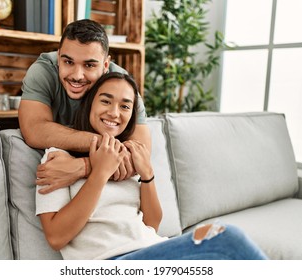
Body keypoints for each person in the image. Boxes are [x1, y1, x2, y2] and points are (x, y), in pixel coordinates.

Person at [35, 72, 268, 260]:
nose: (114, 113)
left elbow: (152, 225)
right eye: (106, 101)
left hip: (152, 249)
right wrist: (99, 173)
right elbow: (56, 237)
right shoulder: (58, 159)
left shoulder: (128, 157)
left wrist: (147, 175)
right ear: (89, 104)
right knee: (227, 238)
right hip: (111, 260)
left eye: (125, 106)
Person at [19, 19, 150, 194]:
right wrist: (106, 148)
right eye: (68, 62)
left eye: (89, 65)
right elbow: (34, 129)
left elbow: (141, 153)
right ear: (59, 58)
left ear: (105, 65)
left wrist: (84, 166)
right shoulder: (43, 71)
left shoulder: (121, 83)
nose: (77, 75)